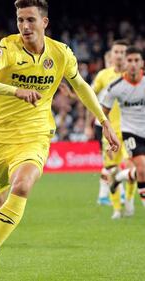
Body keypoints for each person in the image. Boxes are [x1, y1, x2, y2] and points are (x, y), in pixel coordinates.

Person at [0, 0, 120, 279]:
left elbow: (80, 86)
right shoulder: (7, 47)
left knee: (22, 185)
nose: (24, 26)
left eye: (30, 20)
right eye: (20, 20)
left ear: (44, 22)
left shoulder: (61, 54)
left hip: (35, 136)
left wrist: (104, 120)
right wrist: (14, 90)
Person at [85, 40, 136, 218]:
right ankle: (116, 208)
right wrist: (88, 125)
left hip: (132, 130)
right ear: (112, 55)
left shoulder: (135, 76)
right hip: (110, 132)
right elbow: (89, 97)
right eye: (117, 52)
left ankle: (129, 198)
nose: (120, 55)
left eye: (123, 52)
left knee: (134, 168)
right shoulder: (103, 76)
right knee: (112, 170)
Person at [101, 46, 145, 211]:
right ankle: (129, 205)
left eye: (136, 60)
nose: (133, 64)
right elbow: (103, 113)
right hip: (130, 132)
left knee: (140, 172)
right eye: (130, 60)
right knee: (142, 168)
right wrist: (107, 135)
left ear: (142, 63)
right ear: (125, 63)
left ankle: (119, 177)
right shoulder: (115, 87)